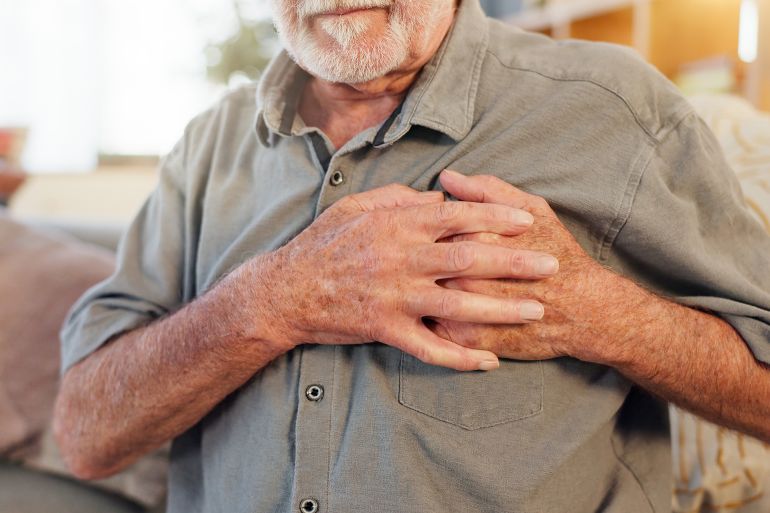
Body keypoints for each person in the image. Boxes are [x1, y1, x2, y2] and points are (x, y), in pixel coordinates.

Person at [54, 0, 770, 511]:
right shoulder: (207, 147)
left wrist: (596, 313)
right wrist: (268, 301)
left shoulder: (615, 109)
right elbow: (86, 436)